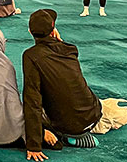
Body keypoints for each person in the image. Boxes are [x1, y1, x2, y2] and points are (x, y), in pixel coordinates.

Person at [23, 9, 102, 160]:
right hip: (94, 114)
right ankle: (81, 131)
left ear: (29, 31)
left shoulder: (31, 56)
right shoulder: (70, 49)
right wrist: (59, 41)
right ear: (53, 30)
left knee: (24, 109)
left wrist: (34, 144)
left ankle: (69, 136)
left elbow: (32, 100)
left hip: (66, 124)